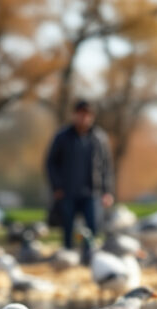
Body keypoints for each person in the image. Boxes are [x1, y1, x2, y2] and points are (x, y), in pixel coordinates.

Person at [45, 99, 116, 249]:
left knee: (93, 226)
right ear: (74, 115)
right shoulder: (62, 137)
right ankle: (68, 251)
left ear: (92, 117)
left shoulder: (99, 138)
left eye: (87, 115)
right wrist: (57, 186)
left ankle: (89, 255)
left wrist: (107, 191)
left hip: (92, 191)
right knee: (67, 226)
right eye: (80, 114)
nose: (84, 118)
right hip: (67, 191)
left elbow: (106, 167)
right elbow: (51, 163)